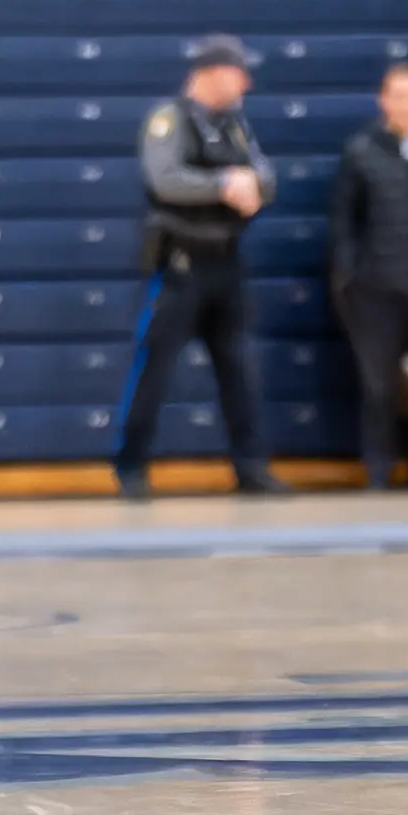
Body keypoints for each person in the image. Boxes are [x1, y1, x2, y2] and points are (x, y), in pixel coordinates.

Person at [112, 34, 288, 501]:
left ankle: (250, 466)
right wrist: (224, 184)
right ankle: (131, 465)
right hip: (180, 265)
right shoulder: (169, 120)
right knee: (154, 368)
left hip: (226, 263)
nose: (246, 83)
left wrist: (251, 185)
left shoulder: (235, 125)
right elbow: (165, 180)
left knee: (240, 370)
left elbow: (265, 176)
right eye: (238, 72)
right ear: (212, 72)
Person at [329, 62, 408, 487]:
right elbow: (344, 221)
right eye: (395, 95)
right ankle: (378, 470)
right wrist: (349, 275)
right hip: (378, 289)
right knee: (378, 385)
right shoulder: (360, 151)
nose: (403, 103)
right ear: (383, 101)